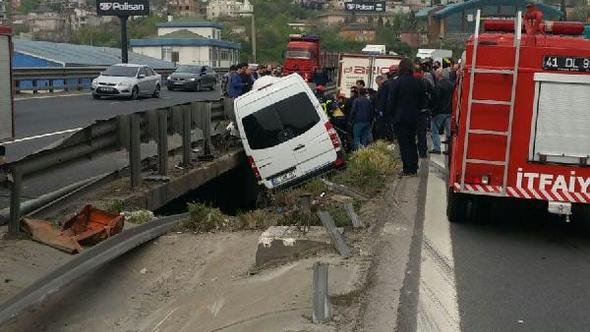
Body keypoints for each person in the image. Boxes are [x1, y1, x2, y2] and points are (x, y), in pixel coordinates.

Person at [387, 58, 425, 176]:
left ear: (400, 68)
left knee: (404, 143)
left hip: (400, 117)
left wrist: (390, 115)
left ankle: (407, 168)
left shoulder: (397, 82)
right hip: (414, 117)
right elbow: (423, 100)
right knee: (412, 141)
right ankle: (414, 166)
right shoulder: (418, 82)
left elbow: (391, 101)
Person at [430, 68, 453, 154]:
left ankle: (437, 148)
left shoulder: (438, 86)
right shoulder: (451, 85)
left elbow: (437, 100)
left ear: (439, 75)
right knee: (449, 132)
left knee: (434, 130)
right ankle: (449, 150)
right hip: (449, 111)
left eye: (436, 73)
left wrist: (433, 112)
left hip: (440, 112)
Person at [414, 65, 433, 159]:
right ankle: (422, 152)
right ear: (421, 72)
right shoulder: (425, 82)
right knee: (422, 134)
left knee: (410, 133)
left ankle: (411, 152)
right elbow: (433, 94)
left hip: (411, 112)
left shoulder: (411, 81)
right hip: (423, 111)